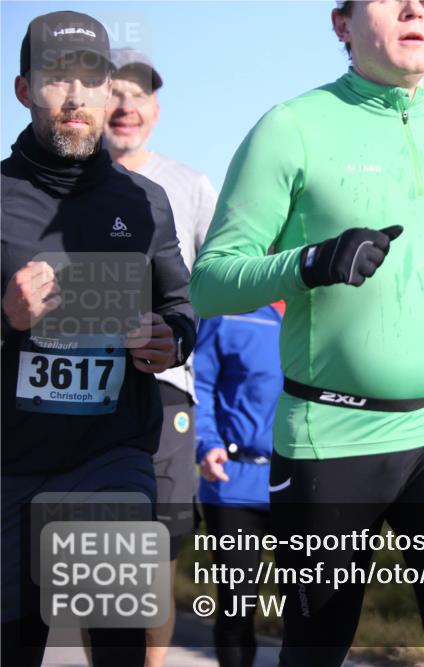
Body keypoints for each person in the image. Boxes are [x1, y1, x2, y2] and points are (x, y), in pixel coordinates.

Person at [189, 1, 424, 665]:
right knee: (316, 650)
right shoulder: (291, 127)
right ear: (342, 24)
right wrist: (311, 261)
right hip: (330, 437)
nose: (416, 7)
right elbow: (213, 281)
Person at [1, 10, 196, 666]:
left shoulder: (143, 200)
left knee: (115, 636)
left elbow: (180, 305)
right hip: (9, 462)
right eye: (58, 78)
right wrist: (8, 315)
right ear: (25, 90)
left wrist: (170, 338)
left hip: (109, 455)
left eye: (92, 77)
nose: (77, 97)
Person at [103, 46, 218, 667]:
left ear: (156, 109)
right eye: (114, 93)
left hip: (168, 389)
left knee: (154, 556)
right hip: (85, 391)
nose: (126, 107)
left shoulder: (190, 185)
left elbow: (215, 286)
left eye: (139, 95)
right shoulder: (71, 182)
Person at [194, 302, 284, 667]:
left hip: (302, 485)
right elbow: (199, 383)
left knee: (308, 608)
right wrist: (207, 442)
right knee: (237, 606)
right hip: (233, 484)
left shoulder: (319, 312)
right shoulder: (228, 313)